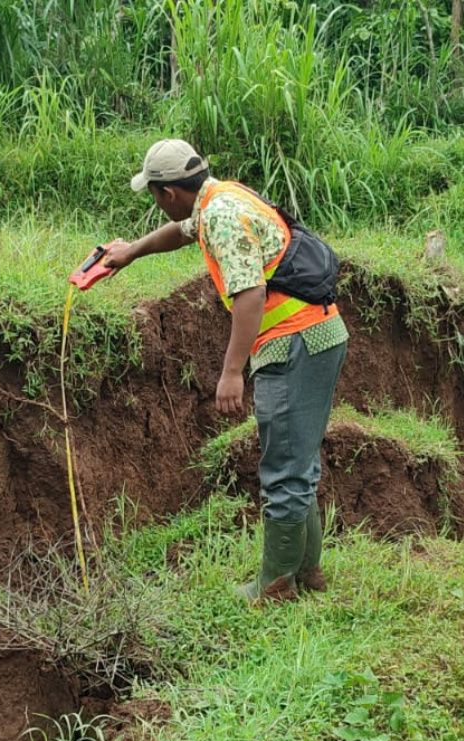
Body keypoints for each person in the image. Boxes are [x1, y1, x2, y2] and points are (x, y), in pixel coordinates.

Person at [104, 139, 349, 602]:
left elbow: (250, 294)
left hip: (294, 344)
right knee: (299, 465)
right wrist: (131, 251)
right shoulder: (221, 195)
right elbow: (181, 231)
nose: (158, 203)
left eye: (154, 194)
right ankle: (307, 571)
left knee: (283, 471)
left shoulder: (221, 216)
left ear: (169, 193)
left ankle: (274, 585)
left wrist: (232, 370)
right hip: (318, 336)